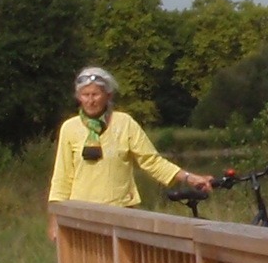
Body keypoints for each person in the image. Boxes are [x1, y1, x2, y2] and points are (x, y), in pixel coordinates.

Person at [48, 67, 212, 218]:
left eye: (95, 95)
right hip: (81, 213)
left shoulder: (124, 123)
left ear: (108, 95)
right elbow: (62, 176)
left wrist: (189, 178)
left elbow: (151, 161)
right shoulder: (69, 128)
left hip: (121, 211)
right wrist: (54, 219)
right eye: (85, 95)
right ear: (78, 97)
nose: (90, 101)